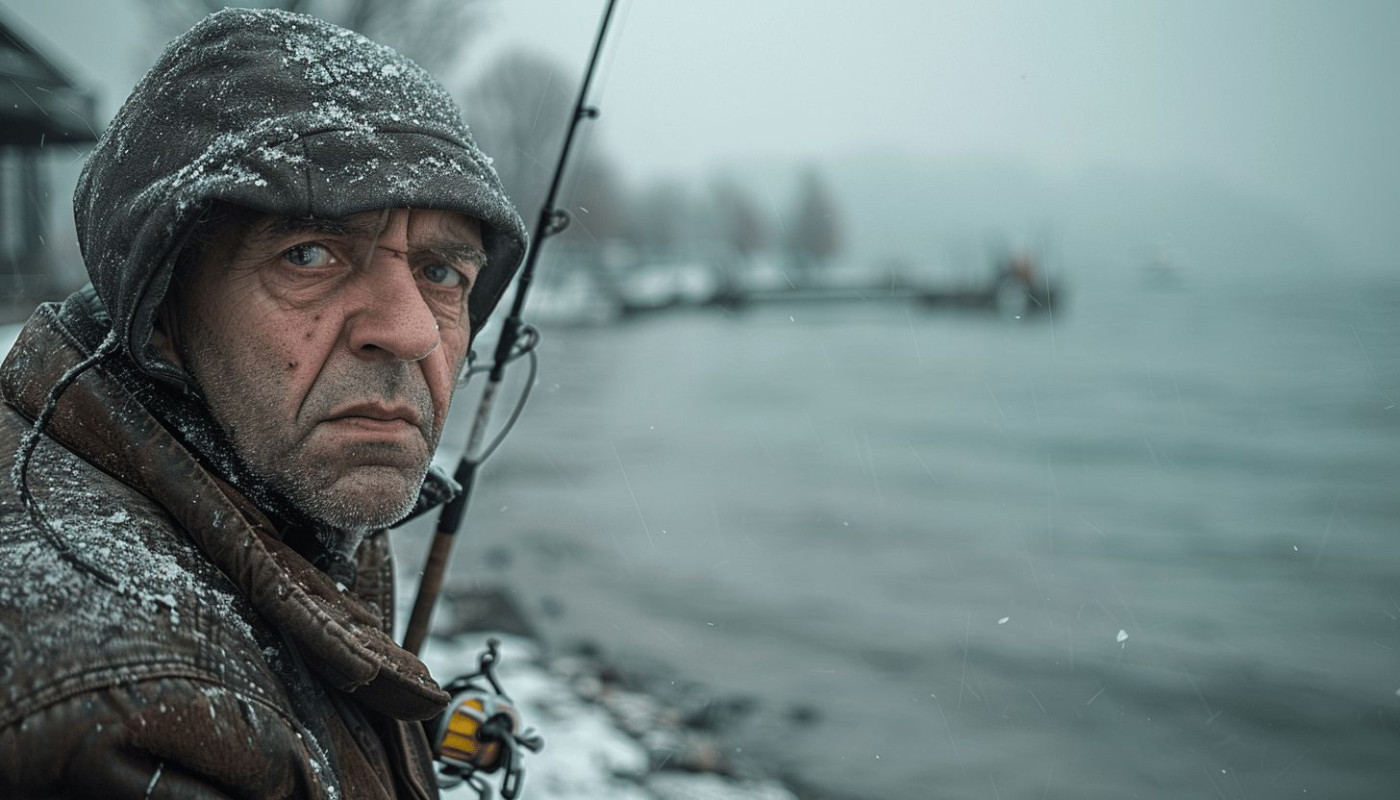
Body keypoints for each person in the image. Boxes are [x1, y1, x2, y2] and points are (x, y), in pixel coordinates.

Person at [0, 8, 526, 798]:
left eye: (443, 273)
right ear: (164, 306)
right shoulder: (141, 724)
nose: (412, 330)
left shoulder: (267, 471)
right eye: (309, 255)